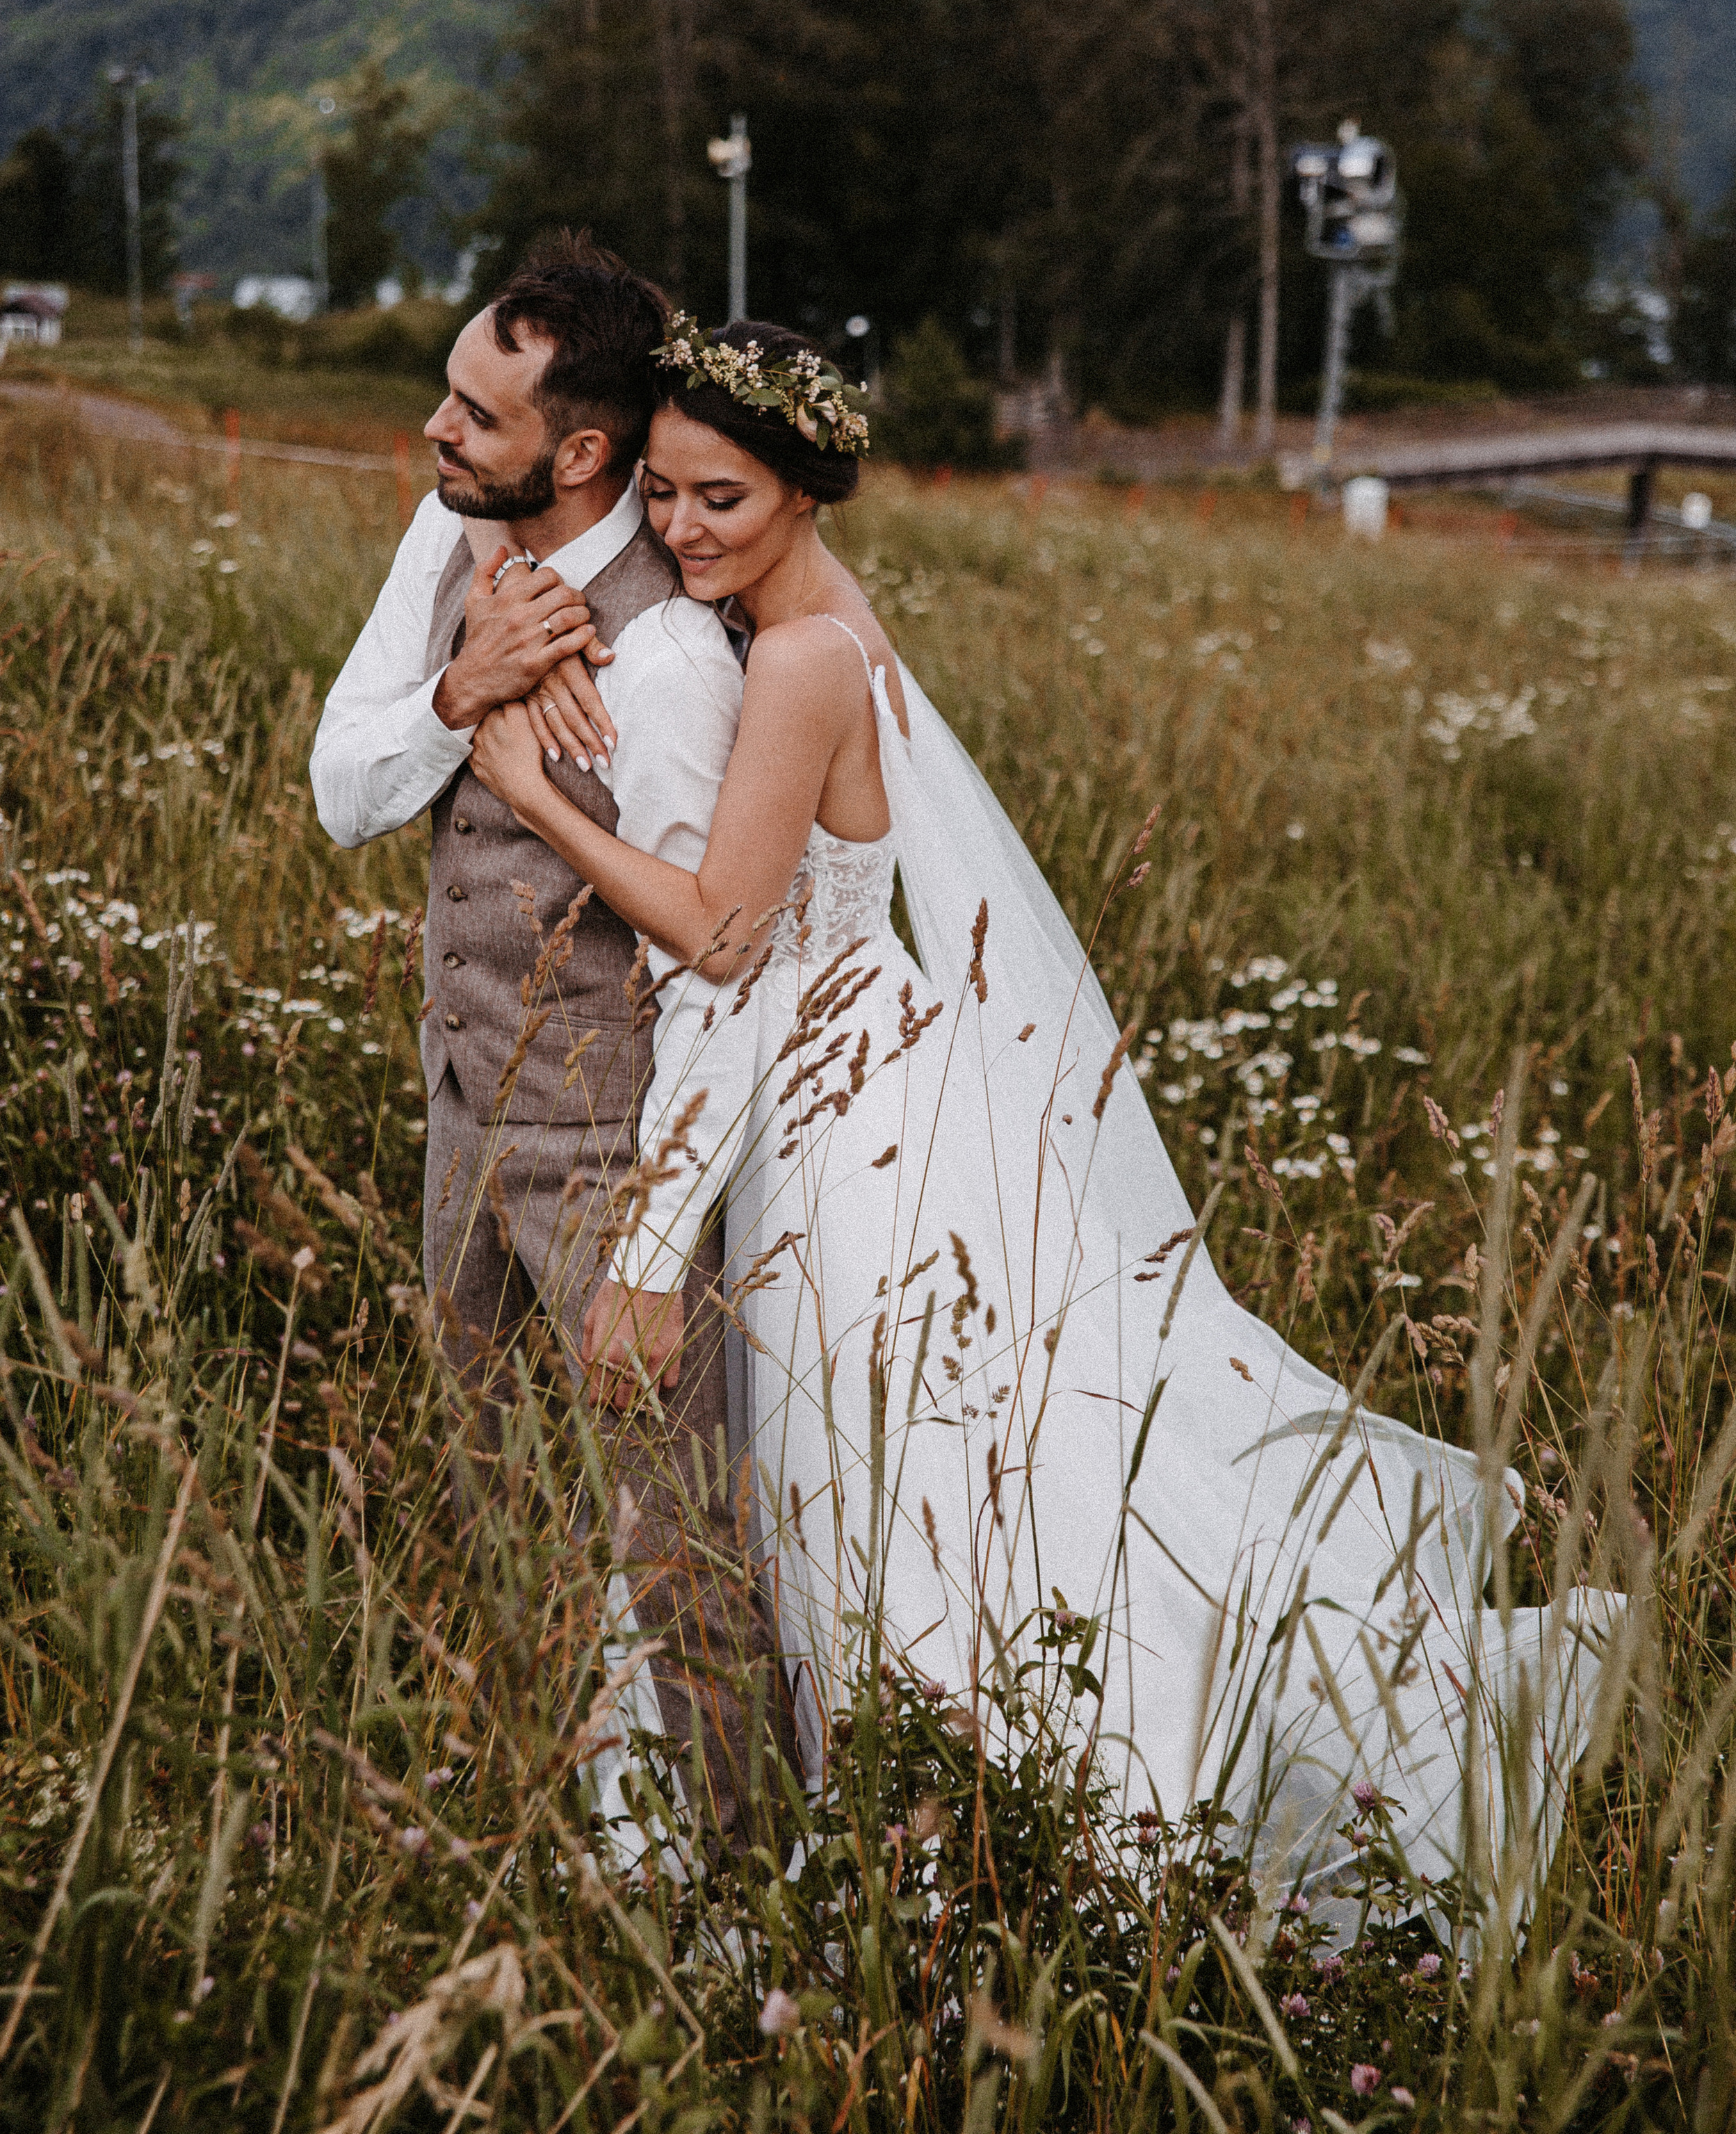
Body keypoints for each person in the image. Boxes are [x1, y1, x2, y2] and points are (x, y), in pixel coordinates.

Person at [467, 311, 1623, 1915]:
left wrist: (532, 801)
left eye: (717, 500)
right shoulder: (801, 625)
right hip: (880, 1075)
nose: (677, 531)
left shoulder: (798, 659)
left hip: (842, 1122)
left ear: (808, 492)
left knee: (878, 1504)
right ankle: (934, 1828)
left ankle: (1004, 1846)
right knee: (942, 1482)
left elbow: (729, 940)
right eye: (660, 495)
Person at [309, 238, 785, 1840]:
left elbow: (722, 960)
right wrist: (459, 692)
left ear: (578, 451)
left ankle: (738, 1886)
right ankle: (534, 1820)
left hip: (608, 1156)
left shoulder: (660, 656)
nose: (435, 429)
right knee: (486, 1504)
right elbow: (337, 788)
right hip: (464, 1115)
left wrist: (653, 1250)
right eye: (447, 391)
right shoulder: (443, 537)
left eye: (472, 409)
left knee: (679, 1547)